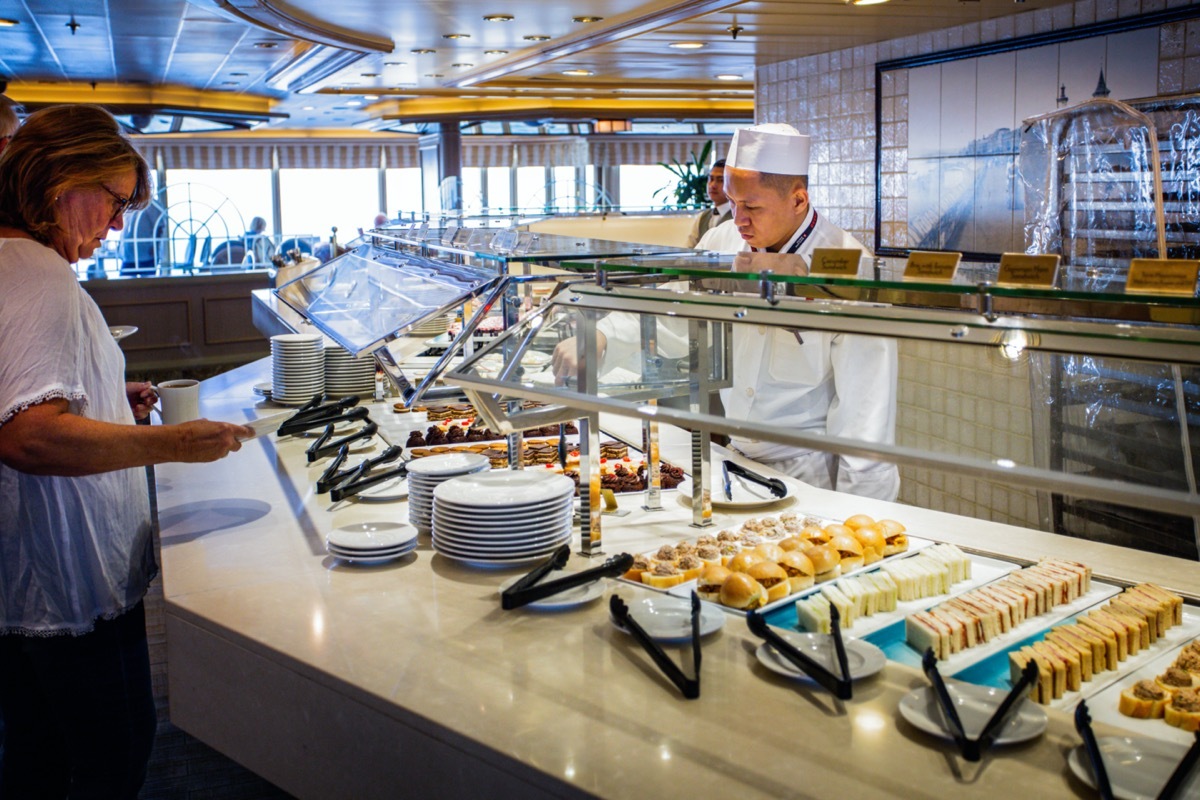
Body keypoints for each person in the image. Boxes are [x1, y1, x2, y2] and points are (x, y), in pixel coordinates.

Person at [0, 104, 255, 797]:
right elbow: (30, 434)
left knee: (34, 756)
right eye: (114, 203)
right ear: (59, 179)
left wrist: (112, 395)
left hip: (27, 587)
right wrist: (171, 442)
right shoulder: (39, 274)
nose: (116, 225)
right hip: (64, 588)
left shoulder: (14, 261)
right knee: (110, 756)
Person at [554, 122, 899, 501]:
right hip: (732, 460)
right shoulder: (722, 242)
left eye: (752, 206)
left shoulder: (847, 268)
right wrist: (603, 335)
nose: (738, 219)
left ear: (798, 200)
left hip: (809, 474)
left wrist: (863, 514)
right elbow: (673, 309)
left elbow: (866, 418)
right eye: (732, 202)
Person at [686, 158, 732, 247]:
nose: (713, 185)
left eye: (720, 180)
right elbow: (689, 250)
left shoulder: (739, 218)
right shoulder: (702, 217)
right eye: (711, 179)